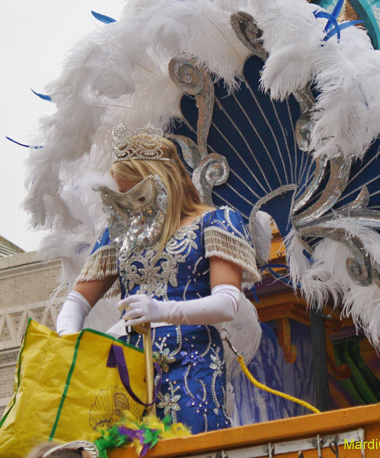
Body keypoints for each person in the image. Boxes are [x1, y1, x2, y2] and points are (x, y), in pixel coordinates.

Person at [55, 123, 259, 434]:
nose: (129, 206)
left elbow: (228, 303)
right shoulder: (118, 235)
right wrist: (68, 340)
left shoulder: (215, 222)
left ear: (163, 182)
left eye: (136, 194)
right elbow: (77, 301)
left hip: (192, 365)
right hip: (126, 372)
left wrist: (163, 311)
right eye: (121, 197)